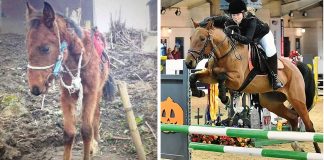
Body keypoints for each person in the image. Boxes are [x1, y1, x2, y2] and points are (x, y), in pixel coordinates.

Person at [198, 0, 283, 90]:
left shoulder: (251, 21)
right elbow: (214, 19)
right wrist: (200, 24)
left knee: (270, 51)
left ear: (243, 13)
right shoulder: (230, 20)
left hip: (262, 35)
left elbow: (247, 40)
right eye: (233, 15)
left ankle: (274, 78)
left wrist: (232, 33)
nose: (236, 18)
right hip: (246, 36)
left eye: (238, 15)